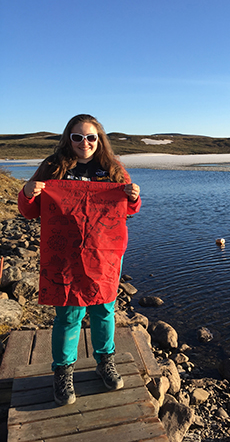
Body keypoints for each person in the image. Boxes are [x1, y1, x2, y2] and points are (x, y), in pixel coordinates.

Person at [18, 114, 141, 406]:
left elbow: (128, 210)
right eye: (77, 137)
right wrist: (27, 193)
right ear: (68, 138)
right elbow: (30, 211)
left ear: (99, 140)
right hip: (65, 255)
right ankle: (63, 372)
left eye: (90, 137)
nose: (84, 143)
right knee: (69, 315)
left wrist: (134, 197)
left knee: (103, 310)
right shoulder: (52, 166)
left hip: (104, 253)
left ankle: (104, 361)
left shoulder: (113, 168)